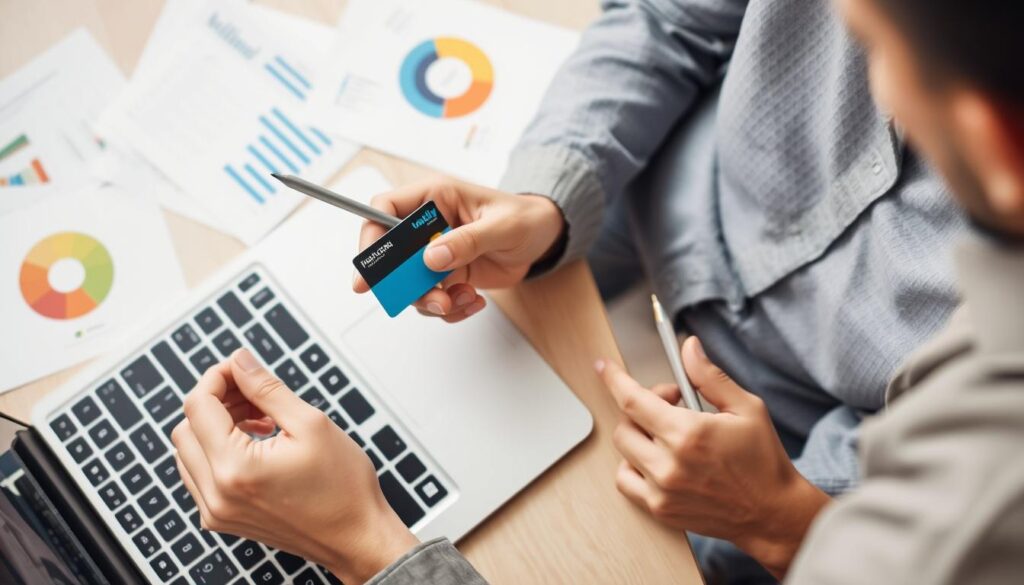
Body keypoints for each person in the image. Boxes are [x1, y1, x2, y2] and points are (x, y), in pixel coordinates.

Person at [173, 0, 1024, 582]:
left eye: (870, 44)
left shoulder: (987, 449)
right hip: (662, 187)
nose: (862, 86)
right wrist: (548, 201)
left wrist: (366, 548)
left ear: (995, 137)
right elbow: (672, 15)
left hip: (813, 464)